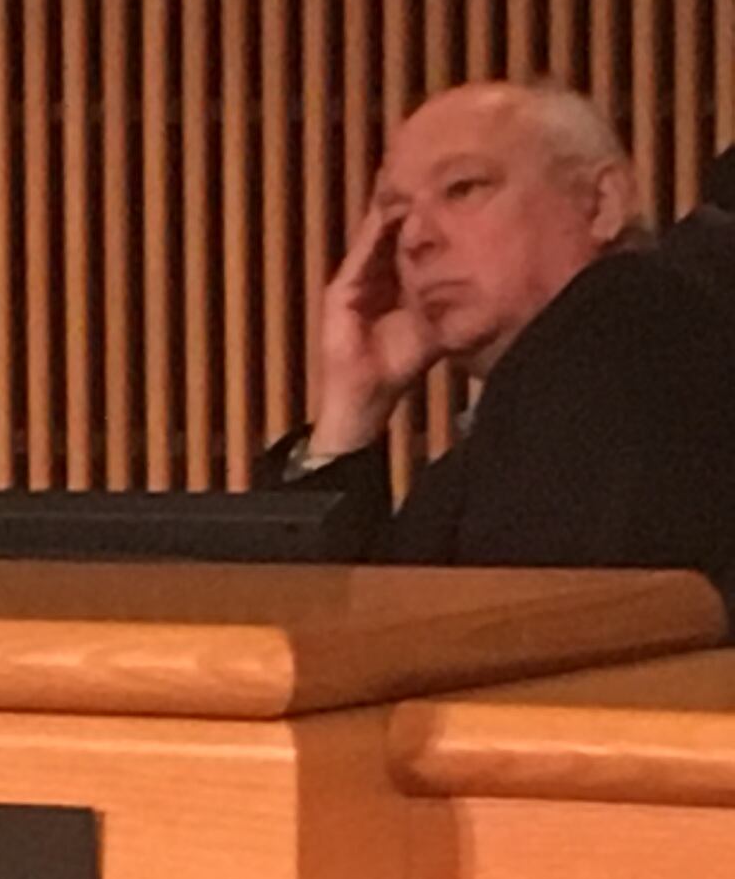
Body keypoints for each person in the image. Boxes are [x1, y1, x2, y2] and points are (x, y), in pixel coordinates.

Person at [283, 81, 735, 602]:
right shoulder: (547, 392)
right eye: (396, 215)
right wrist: (350, 414)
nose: (412, 239)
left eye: (463, 188)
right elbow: (320, 642)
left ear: (601, 205)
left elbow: (489, 635)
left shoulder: (632, 323)